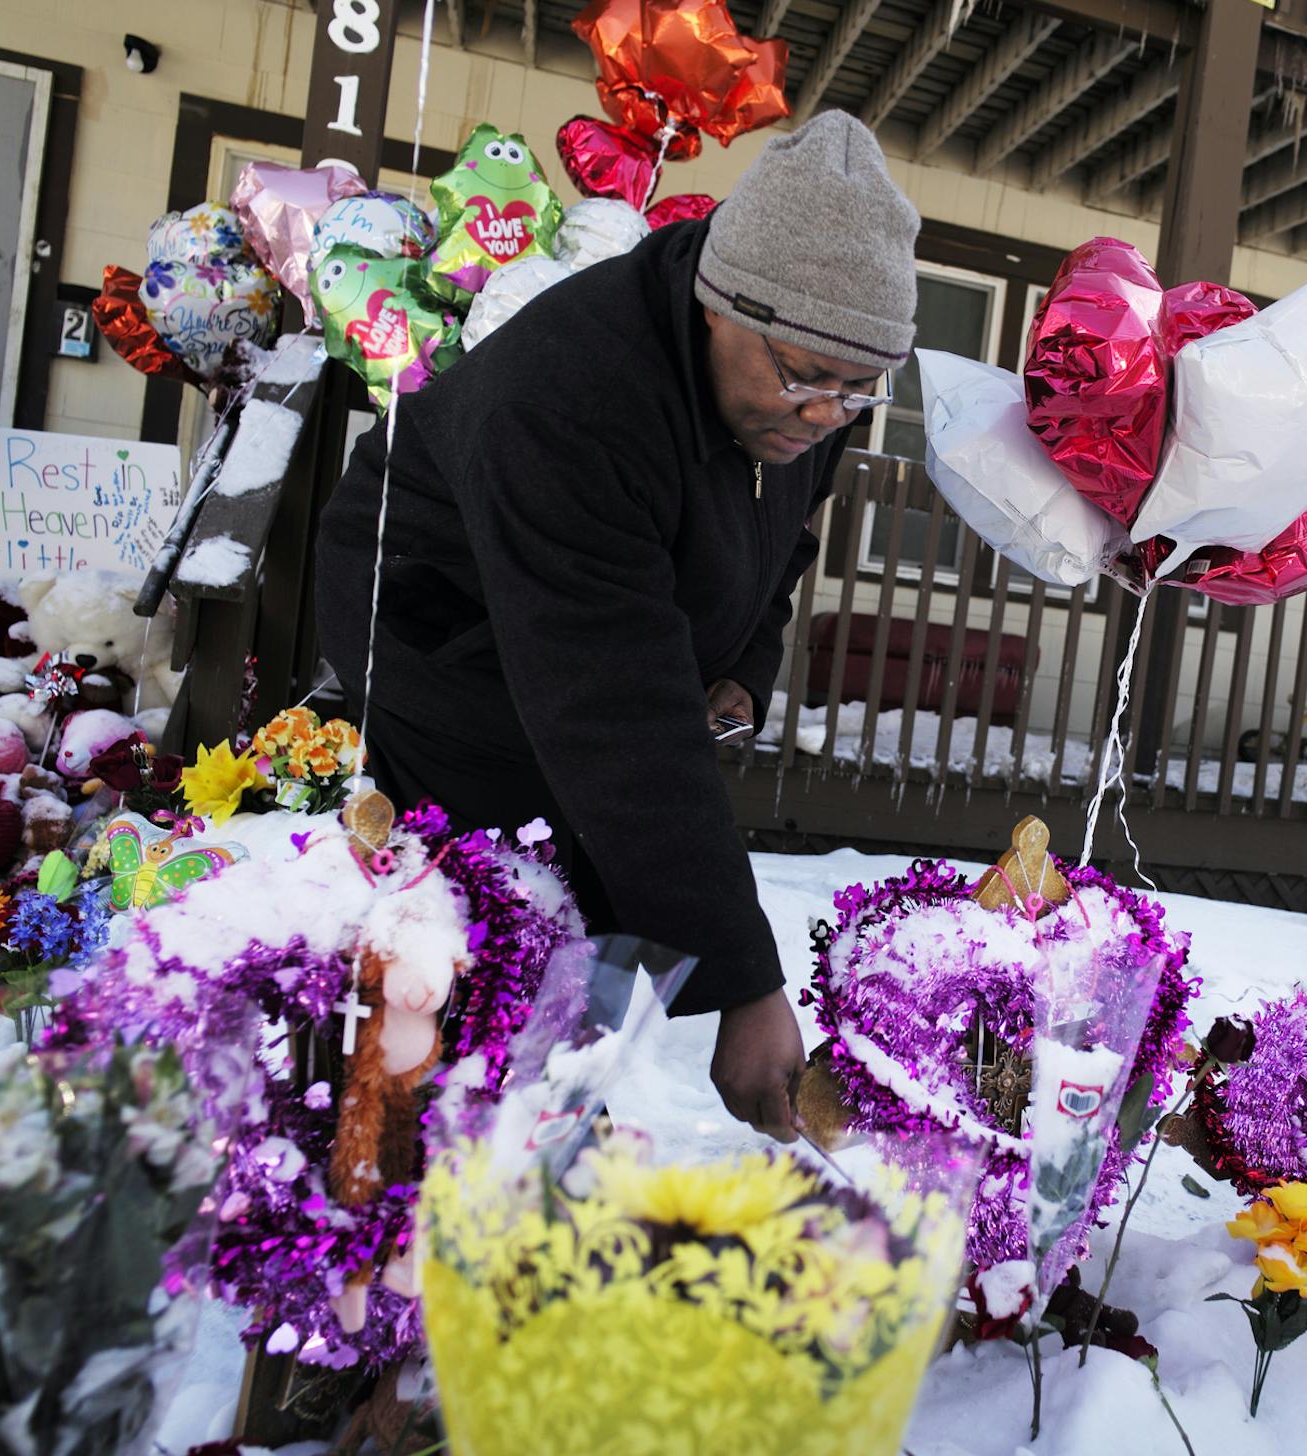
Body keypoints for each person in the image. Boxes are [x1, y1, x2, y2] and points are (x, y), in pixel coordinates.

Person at [314, 112, 920, 1141]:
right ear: (719, 306)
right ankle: (427, 1163)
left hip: (592, 649)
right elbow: (615, 713)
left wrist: (742, 665)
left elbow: (783, 545)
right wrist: (744, 980)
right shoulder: (574, 396)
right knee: (512, 909)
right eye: (810, 377)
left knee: (606, 894)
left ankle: (539, 1128)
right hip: (442, 640)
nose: (826, 415)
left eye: (859, 393)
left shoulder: (793, 388)